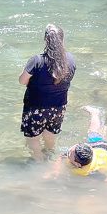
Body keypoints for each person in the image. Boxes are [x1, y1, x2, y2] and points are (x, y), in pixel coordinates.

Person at [19, 24, 77, 161]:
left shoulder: (37, 60)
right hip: (59, 107)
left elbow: (22, 81)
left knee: (32, 138)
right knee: (50, 134)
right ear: (62, 40)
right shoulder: (70, 59)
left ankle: (39, 163)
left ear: (46, 40)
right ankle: (51, 157)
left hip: (36, 107)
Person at [53, 106, 107, 179]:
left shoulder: (92, 173)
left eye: (70, 153)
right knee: (93, 133)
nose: (68, 151)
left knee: (93, 132)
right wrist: (56, 170)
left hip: (103, 148)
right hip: (93, 150)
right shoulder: (76, 155)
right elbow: (61, 157)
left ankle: (95, 113)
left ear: (77, 164)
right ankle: (101, 126)